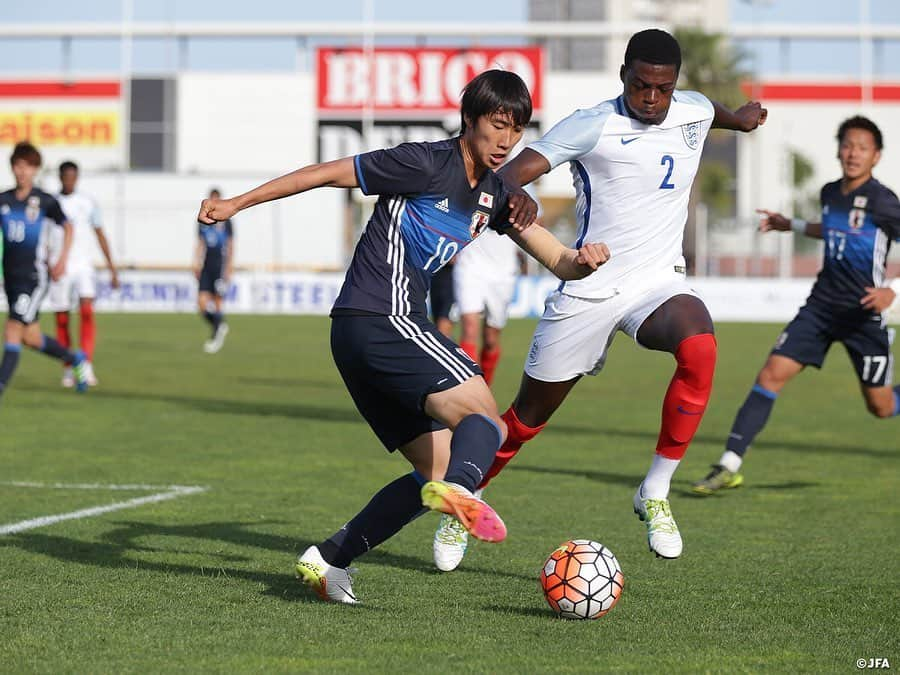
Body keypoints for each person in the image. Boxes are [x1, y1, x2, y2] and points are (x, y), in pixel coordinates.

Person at [197, 69, 610, 604]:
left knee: (432, 469)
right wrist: (235, 205)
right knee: (483, 419)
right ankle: (462, 491)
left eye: (517, 129)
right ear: (470, 120)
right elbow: (321, 174)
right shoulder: (422, 162)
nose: (506, 140)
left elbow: (559, 260)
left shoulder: (496, 193)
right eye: (496, 125)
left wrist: (587, 260)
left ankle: (330, 559)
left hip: (360, 335)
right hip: (381, 318)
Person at [433, 29, 767, 571]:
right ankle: (462, 507)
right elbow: (512, 172)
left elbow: (719, 113)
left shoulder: (695, 110)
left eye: (662, 88)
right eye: (641, 86)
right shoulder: (593, 123)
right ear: (624, 77)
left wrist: (745, 119)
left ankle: (654, 491)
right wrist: (516, 195)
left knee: (700, 346)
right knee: (525, 420)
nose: (652, 99)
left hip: (658, 282)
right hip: (590, 283)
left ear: (675, 84)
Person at [693, 116, 900, 495]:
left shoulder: (885, 201)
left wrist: (893, 290)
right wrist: (793, 225)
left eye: (862, 147)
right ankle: (729, 464)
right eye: (848, 144)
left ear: (877, 156)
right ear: (839, 149)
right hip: (821, 307)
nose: (853, 153)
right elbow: (834, 228)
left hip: (864, 313)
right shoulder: (829, 193)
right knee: (770, 374)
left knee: (882, 407)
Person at [0, 142, 89, 401]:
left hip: (35, 278)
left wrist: (62, 259)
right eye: (17, 166)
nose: (21, 172)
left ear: (35, 169)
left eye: (27, 167)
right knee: (31, 338)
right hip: (12, 280)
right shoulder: (3, 200)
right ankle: (75, 359)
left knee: (13, 329)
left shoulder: (44, 201)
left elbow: (68, 226)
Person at [47, 160, 120, 387]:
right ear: (60, 177)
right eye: (66, 177)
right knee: (62, 317)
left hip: (83, 266)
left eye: (73, 177)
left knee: (87, 311)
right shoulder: (51, 203)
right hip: (59, 265)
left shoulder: (87, 202)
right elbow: (44, 236)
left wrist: (112, 268)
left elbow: (100, 234)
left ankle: (86, 363)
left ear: (77, 178)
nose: (69, 181)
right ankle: (69, 365)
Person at [454, 224, 525, 386]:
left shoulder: (528, 197)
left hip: (503, 272)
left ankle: (485, 388)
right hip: (470, 265)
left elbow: (537, 224)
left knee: (491, 339)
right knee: (470, 329)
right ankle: (469, 392)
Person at [194, 188, 234, 354]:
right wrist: (196, 263)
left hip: (219, 265)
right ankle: (219, 325)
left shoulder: (226, 222)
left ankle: (216, 337)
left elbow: (231, 245)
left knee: (217, 301)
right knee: (202, 304)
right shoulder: (204, 220)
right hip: (206, 264)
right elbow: (200, 243)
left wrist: (229, 267)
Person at [428, 262, 456, 338]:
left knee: (443, 323)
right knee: (437, 324)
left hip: (452, 279)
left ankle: (447, 347)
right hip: (436, 277)